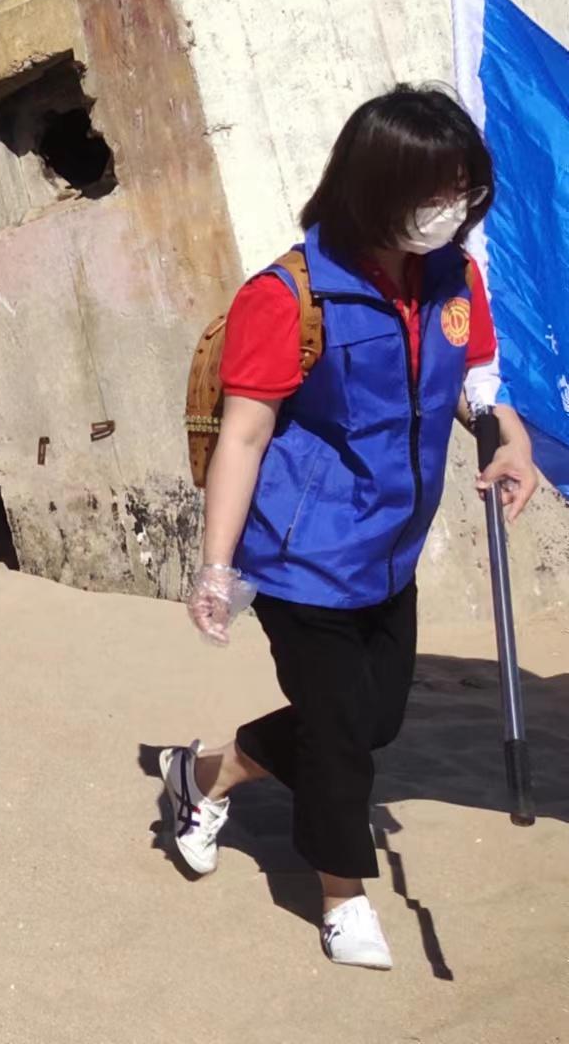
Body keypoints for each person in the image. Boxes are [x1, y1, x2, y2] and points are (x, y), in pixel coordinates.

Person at [162, 87, 539, 970]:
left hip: (389, 551)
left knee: (373, 725)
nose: (450, 209)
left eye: (463, 190)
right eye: (433, 190)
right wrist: (217, 567)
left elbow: (473, 375)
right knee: (338, 741)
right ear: (373, 185)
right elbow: (246, 434)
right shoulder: (289, 296)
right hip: (302, 557)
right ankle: (342, 897)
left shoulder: (454, 274)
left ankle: (206, 774)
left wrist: (508, 435)